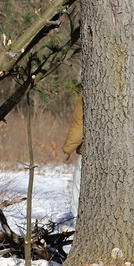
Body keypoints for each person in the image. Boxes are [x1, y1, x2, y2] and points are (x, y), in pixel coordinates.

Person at [61, 92, 83, 221]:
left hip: (89, 153)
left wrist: (67, 149)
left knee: (78, 191)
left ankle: (75, 223)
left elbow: (79, 124)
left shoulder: (89, 91)